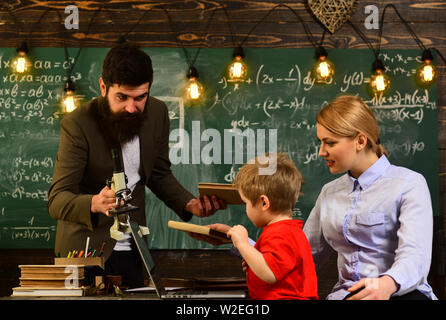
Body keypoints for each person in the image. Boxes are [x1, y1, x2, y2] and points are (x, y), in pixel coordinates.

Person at [47, 43, 226, 288]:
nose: (131, 108)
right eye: (122, 97)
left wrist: (189, 203)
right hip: (83, 253)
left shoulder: (158, 113)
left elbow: (159, 173)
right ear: (103, 87)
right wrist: (94, 203)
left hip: (133, 248)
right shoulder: (77, 124)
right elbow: (56, 200)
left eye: (140, 97)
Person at [303, 95, 437, 300]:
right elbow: (303, 257)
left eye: (329, 143)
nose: (321, 152)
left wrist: (387, 284)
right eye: (321, 142)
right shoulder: (329, 193)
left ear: (360, 141)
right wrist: (247, 248)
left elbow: (414, 254)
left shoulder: (409, 184)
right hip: (348, 295)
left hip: (400, 293)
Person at [226, 152, 318, 300]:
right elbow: (272, 266)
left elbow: (270, 273)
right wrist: (254, 263)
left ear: (264, 203)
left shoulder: (281, 233)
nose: (246, 209)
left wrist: (243, 244)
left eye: (246, 203)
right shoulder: (285, 231)